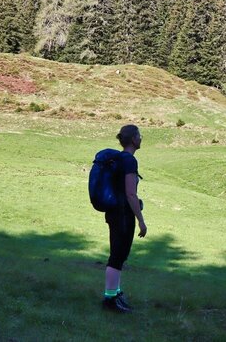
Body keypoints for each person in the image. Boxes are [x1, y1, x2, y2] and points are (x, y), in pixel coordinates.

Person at [102, 124, 147, 313]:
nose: (141, 138)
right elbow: (130, 194)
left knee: (119, 256)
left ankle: (116, 293)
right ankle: (110, 299)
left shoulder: (121, 159)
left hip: (115, 213)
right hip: (122, 214)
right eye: (139, 135)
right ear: (133, 139)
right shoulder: (129, 161)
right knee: (117, 255)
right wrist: (141, 220)